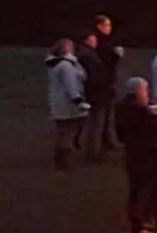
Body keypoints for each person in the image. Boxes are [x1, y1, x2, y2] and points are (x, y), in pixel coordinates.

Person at [114, 78, 157, 233]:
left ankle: (136, 224)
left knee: (135, 191)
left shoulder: (120, 109)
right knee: (156, 191)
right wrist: (155, 116)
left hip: (132, 155)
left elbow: (120, 134)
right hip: (149, 155)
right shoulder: (145, 112)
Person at [45, 38, 90, 171]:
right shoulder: (67, 66)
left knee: (61, 131)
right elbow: (71, 85)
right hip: (67, 103)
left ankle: (60, 159)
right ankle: (63, 162)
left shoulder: (55, 64)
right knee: (68, 132)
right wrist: (78, 101)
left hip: (57, 102)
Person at [78, 32, 116, 162]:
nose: (95, 42)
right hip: (96, 94)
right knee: (95, 124)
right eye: (92, 39)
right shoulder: (87, 56)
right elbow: (94, 76)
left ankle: (94, 151)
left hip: (98, 93)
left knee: (96, 124)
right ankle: (92, 153)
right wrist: (103, 84)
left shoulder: (90, 55)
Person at [92, 15, 124, 155]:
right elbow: (103, 61)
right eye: (106, 25)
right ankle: (98, 145)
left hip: (109, 82)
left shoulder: (109, 41)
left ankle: (106, 140)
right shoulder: (99, 43)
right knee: (100, 115)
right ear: (99, 26)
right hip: (101, 84)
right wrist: (116, 56)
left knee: (108, 114)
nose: (109, 28)